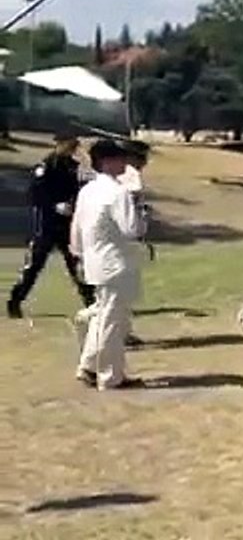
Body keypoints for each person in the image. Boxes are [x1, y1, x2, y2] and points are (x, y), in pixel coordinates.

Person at [71, 139, 149, 390]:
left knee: (104, 316)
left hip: (96, 261)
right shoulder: (118, 192)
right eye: (118, 158)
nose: (123, 162)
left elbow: (77, 228)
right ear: (106, 162)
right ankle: (110, 376)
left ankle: (89, 365)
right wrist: (141, 210)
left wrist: (79, 255)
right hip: (116, 263)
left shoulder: (87, 191)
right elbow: (133, 229)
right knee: (113, 322)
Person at [8, 130, 96, 319]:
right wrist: (55, 205)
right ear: (59, 144)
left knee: (77, 265)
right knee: (33, 267)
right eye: (69, 145)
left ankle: (91, 302)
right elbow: (35, 195)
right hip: (46, 226)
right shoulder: (46, 166)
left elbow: (79, 189)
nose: (73, 150)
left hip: (67, 226)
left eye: (74, 146)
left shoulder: (73, 167)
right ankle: (15, 302)